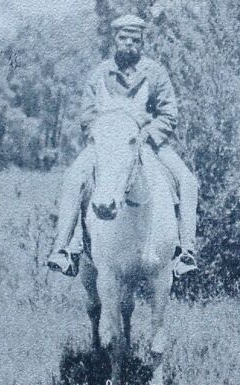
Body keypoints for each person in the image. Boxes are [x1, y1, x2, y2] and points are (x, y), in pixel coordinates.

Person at [47, 14, 199, 277]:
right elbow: (87, 115)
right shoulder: (100, 74)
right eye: (123, 38)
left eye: (135, 40)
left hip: (148, 143)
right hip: (106, 145)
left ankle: (184, 251)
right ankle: (64, 249)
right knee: (74, 178)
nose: (129, 44)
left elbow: (169, 112)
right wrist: (104, 135)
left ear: (141, 42)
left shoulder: (155, 72)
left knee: (187, 181)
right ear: (114, 40)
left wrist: (148, 134)